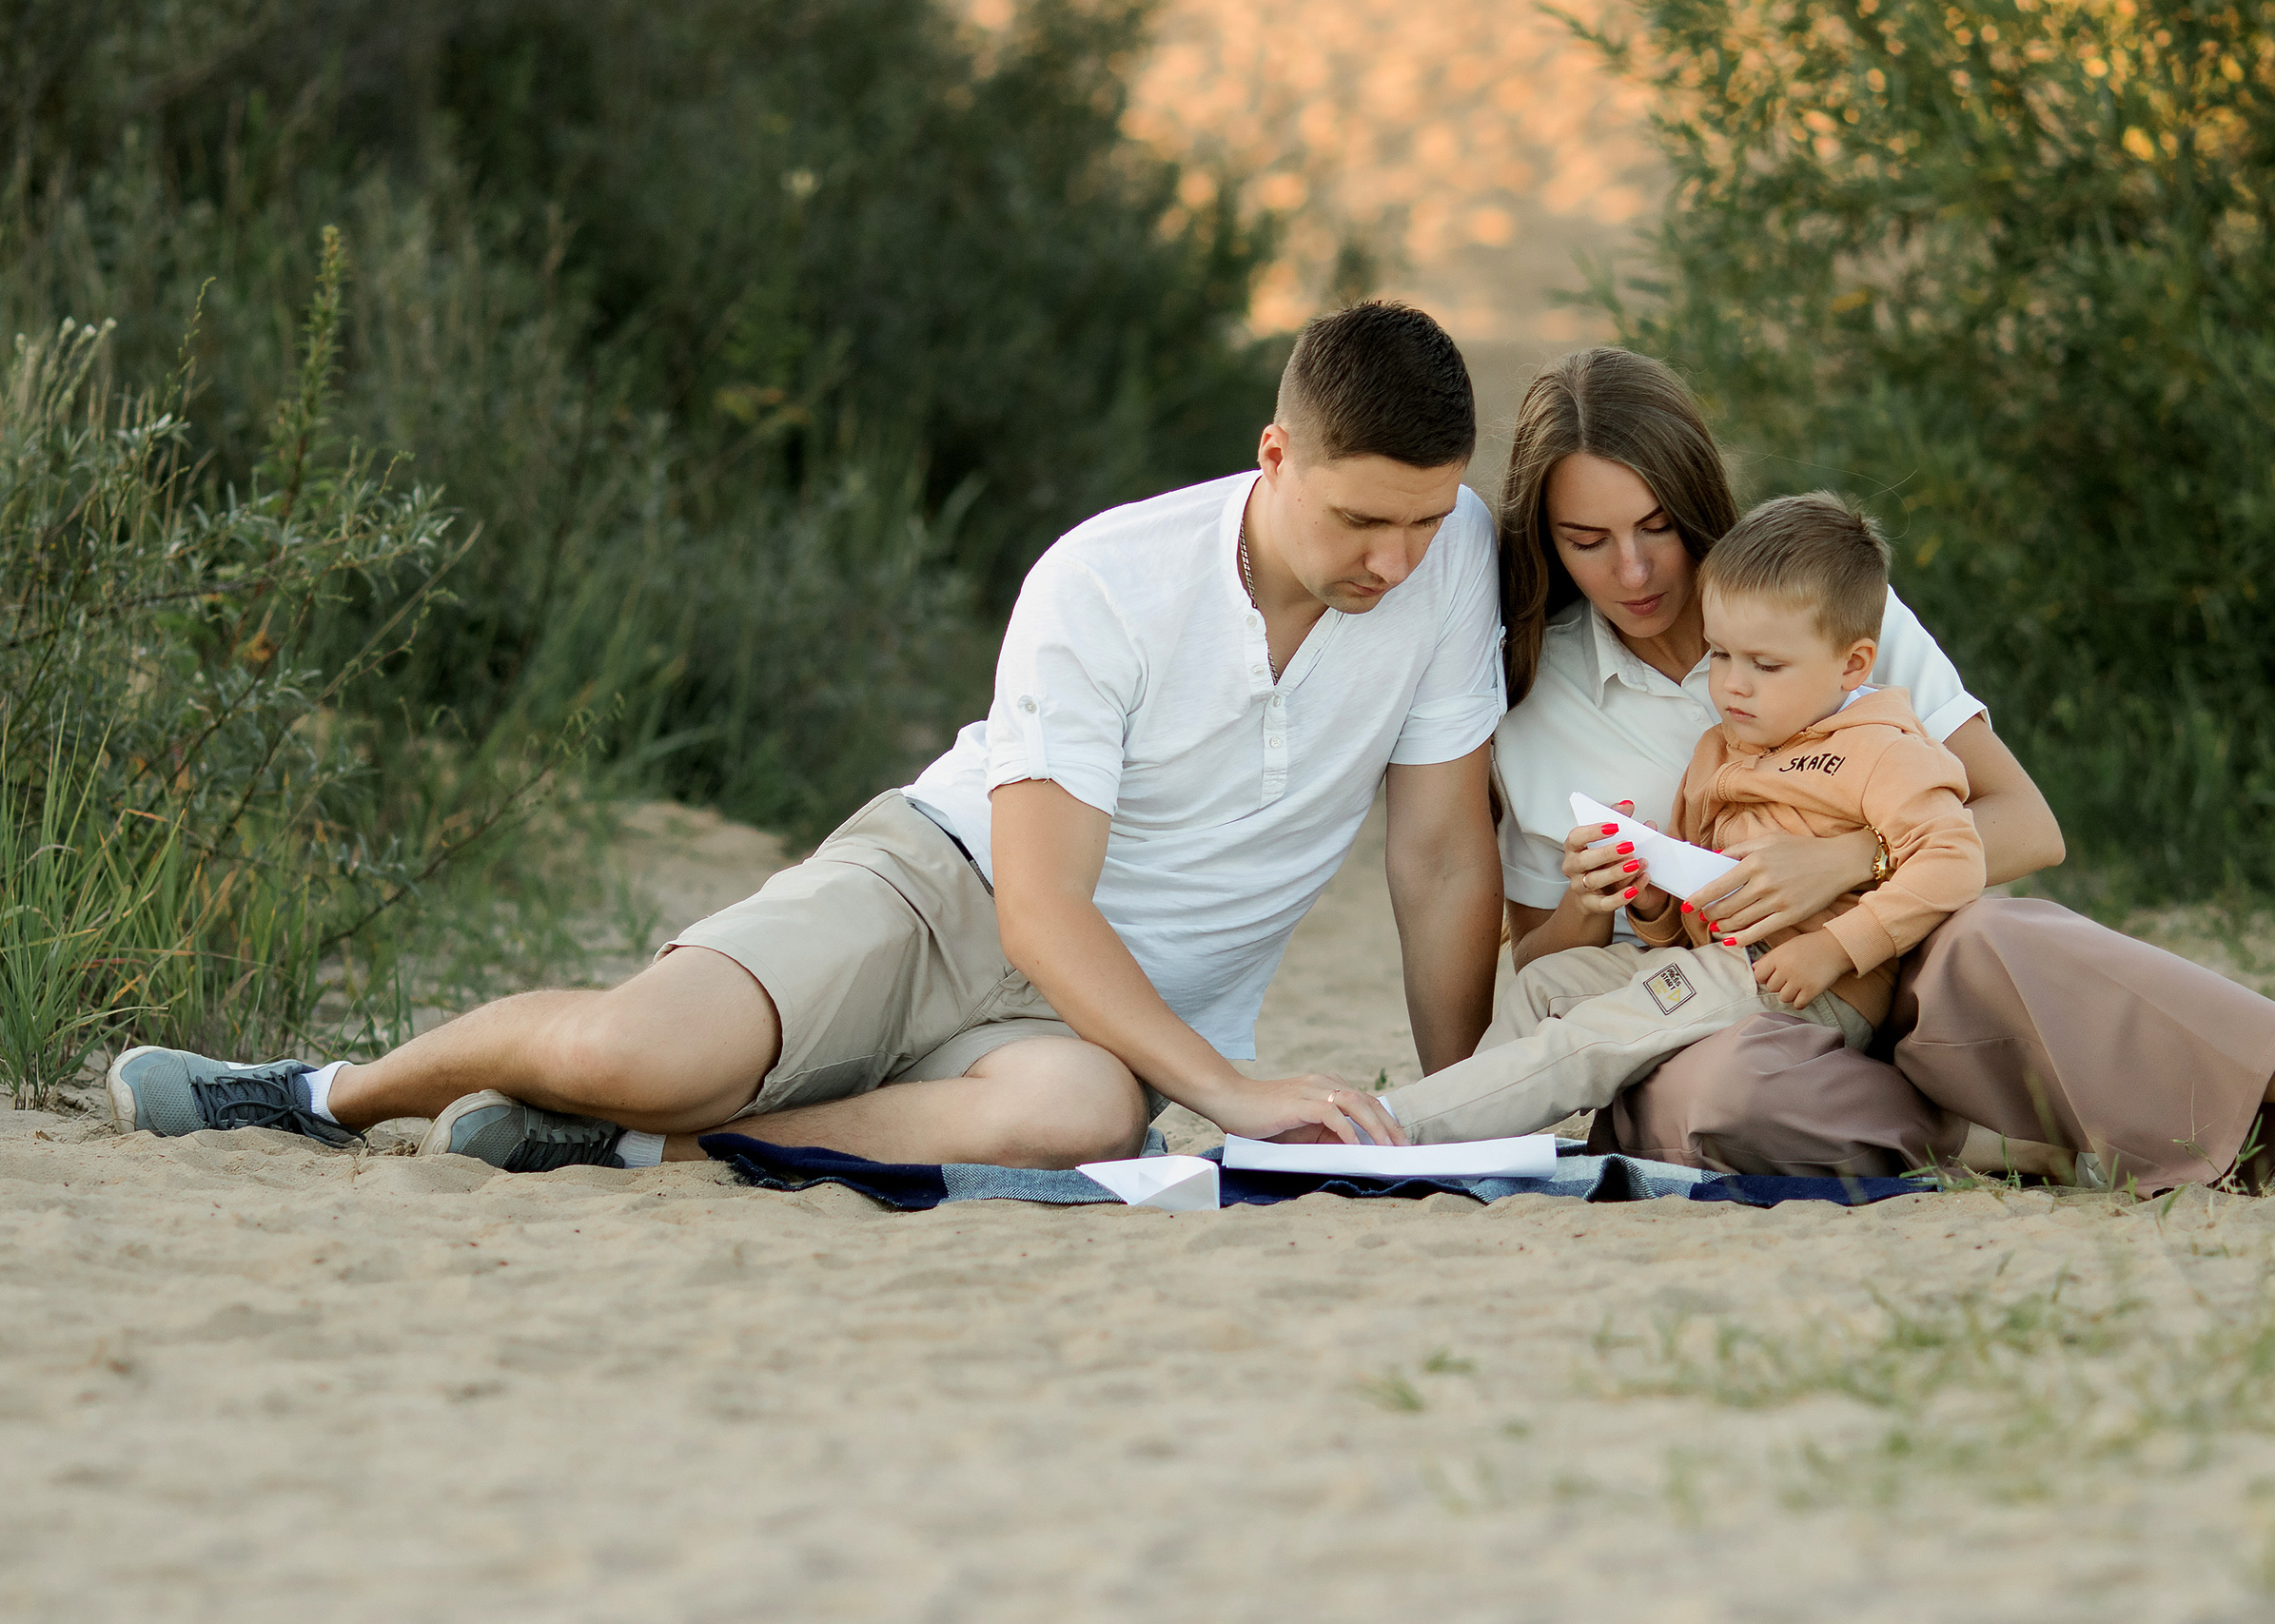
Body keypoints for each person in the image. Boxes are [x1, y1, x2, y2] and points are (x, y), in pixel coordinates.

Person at [106, 301, 1508, 1171]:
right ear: (1275, 458)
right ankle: (321, 1089)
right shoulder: (1109, 579)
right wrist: (1232, 1091)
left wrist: (1456, 1114)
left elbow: (1443, 861)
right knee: (636, 1050)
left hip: (1113, 1022)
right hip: (940, 887)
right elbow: (1036, 902)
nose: (1394, 557)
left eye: (1423, 520)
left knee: (1080, 1117)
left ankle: (655, 1147)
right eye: (1358, 519)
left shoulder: (1451, 563)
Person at [1482, 346, 2275, 1194]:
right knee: (1723, 1097)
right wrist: (1595, 900)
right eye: (1588, 542)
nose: (1636, 570)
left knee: (1995, 937)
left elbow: (2026, 825)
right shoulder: (1534, 703)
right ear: (1547, 543)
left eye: (1655, 525)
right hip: (1719, 1018)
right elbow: (1542, 961)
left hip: (1907, 968)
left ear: (1694, 499)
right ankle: (2004, 1142)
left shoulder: (1823, 603)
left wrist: (1853, 860)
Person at [1381, 489, 2001, 1145]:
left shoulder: (1880, 745)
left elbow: (1956, 858)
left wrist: (1835, 947)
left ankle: (1400, 1128)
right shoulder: (1717, 753)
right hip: (1717, 962)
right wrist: (1649, 894)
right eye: (1721, 655)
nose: (1732, 683)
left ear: (1852, 664)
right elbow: (1686, 917)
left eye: (1764, 665)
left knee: (1601, 1037)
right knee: (1546, 983)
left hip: (1805, 979)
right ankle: (1469, 1138)